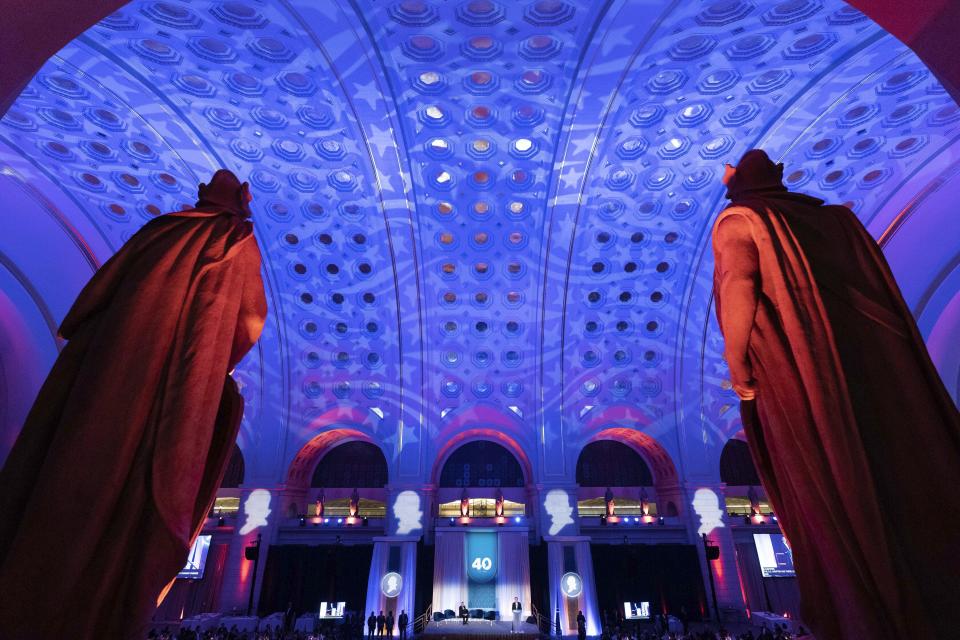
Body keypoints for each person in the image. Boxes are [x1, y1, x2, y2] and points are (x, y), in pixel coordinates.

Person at [0, 169, 267, 640]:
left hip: (105, 372)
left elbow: (91, 300)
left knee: (67, 470)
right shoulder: (234, 239)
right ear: (241, 202)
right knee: (133, 484)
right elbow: (246, 323)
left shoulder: (161, 230)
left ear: (206, 195)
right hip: (174, 385)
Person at [712, 149, 960, 640]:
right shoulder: (835, 221)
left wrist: (737, 363)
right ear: (777, 177)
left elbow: (739, 281)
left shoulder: (740, 218)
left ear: (739, 180)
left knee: (829, 481)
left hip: (800, 375)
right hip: (871, 377)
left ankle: (863, 606)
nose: (723, 177)